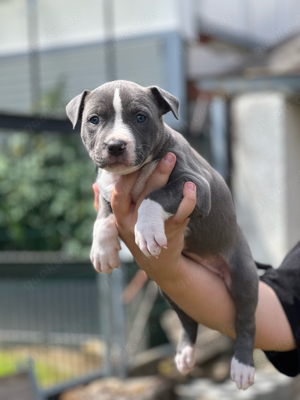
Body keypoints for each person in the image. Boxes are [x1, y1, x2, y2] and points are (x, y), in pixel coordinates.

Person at [93, 152, 300, 377]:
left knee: (243, 281)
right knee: (173, 292)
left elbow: (200, 195)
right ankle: (188, 336)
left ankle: (240, 350)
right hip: (189, 257)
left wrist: (153, 216)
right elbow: (284, 309)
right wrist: (167, 270)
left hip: (225, 249)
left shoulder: (172, 152)